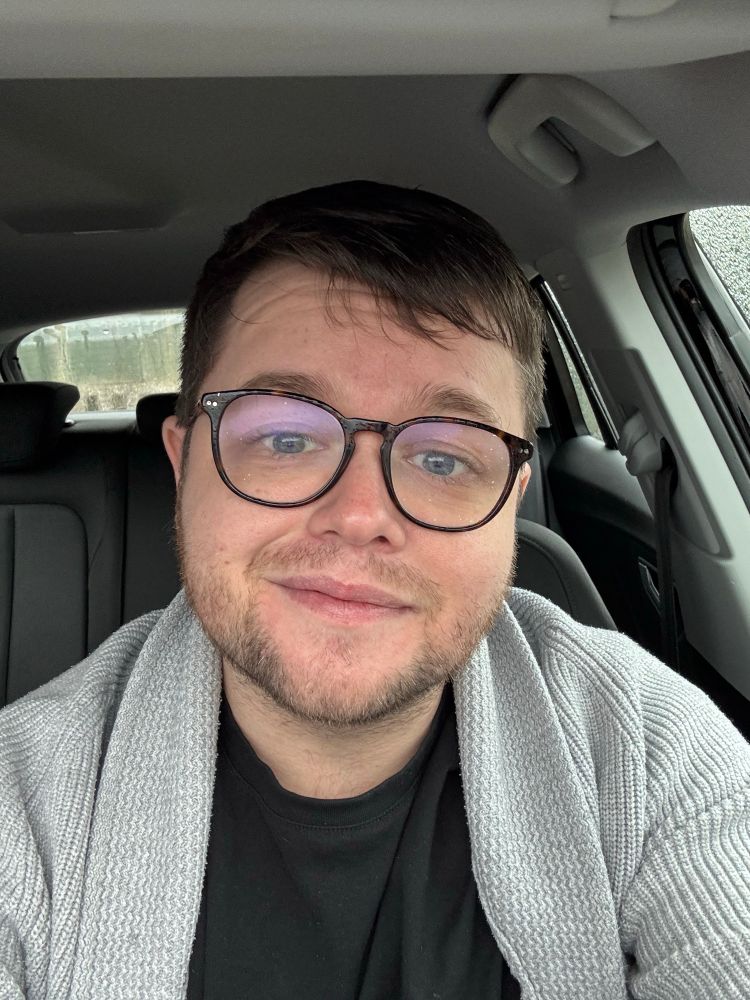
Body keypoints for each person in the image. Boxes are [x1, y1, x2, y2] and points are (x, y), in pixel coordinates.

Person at [1, 181, 748, 1000]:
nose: (359, 517)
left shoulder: (651, 754)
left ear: (512, 496)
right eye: (284, 437)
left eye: (443, 457)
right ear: (184, 467)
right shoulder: (23, 806)